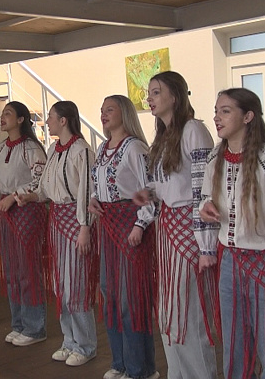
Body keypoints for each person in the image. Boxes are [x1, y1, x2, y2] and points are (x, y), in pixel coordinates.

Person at [199, 88, 265, 378]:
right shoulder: (216, 155)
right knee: (234, 341)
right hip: (229, 259)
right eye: (216, 111)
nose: (217, 118)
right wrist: (206, 206)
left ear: (248, 116)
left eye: (225, 111)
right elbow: (204, 196)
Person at [132, 71, 218, 379]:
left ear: (175, 96)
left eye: (156, 92)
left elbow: (203, 189)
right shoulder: (163, 136)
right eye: (150, 92)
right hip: (167, 229)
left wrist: (206, 246)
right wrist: (150, 194)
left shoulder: (193, 130)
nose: (150, 98)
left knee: (188, 313)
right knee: (170, 310)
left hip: (188, 231)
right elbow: (167, 186)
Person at [17, 100, 99, 367]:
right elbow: (45, 187)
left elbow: (87, 192)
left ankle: (85, 345)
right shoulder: (53, 149)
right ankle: (69, 340)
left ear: (64, 120)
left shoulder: (81, 150)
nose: (48, 121)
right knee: (61, 285)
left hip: (75, 220)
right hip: (57, 221)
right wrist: (31, 196)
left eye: (51, 116)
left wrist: (85, 227)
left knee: (76, 284)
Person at [89, 95, 158, 379]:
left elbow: (149, 189)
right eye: (102, 110)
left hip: (130, 225)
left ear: (124, 114)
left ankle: (141, 368)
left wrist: (140, 225)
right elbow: (97, 183)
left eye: (110, 109)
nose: (104, 114)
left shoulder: (135, 147)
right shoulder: (103, 148)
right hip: (108, 225)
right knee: (110, 293)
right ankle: (120, 362)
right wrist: (94, 198)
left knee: (131, 298)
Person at [0, 101, 48, 346]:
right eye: (2, 114)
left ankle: (35, 327)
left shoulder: (31, 148)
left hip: (26, 211)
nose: (3, 118)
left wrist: (14, 195)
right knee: (10, 270)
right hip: (7, 212)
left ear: (21, 119)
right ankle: (19, 324)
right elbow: (1, 176)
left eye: (8, 114)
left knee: (27, 269)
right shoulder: (2, 148)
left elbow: (41, 180)